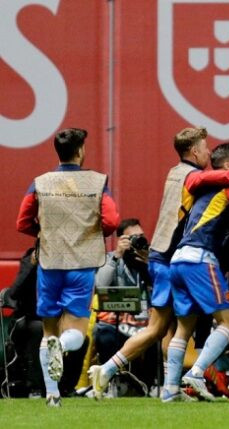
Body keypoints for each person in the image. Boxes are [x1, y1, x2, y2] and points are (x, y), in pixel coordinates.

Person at [89, 127, 229, 399]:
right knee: (158, 329)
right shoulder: (193, 176)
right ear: (194, 151)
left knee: (182, 326)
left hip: (168, 257)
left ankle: (169, 390)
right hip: (171, 258)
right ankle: (107, 370)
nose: (208, 152)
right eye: (205, 148)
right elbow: (222, 176)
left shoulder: (175, 172)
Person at [16, 128, 121, 407]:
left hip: (50, 263)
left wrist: (45, 231)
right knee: (76, 328)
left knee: (48, 329)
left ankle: (52, 395)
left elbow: (23, 222)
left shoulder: (39, 182)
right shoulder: (97, 182)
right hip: (82, 262)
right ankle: (60, 347)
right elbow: (111, 221)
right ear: (80, 151)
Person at [163, 142, 229, 402]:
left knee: (183, 329)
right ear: (228, 166)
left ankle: (170, 390)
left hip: (178, 259)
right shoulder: (227, 188)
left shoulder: (204, 190)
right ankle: (197, 374)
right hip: (200, 258)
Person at [92, 219, 154, 389]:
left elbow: (163, 286)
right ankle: (110, 382)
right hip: (117, 322)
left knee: (156, 334)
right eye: (132, 238)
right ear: (122, 240)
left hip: (147, 323)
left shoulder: (152, 259)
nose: (138, 241)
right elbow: (101, 285)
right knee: (104, 333)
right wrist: (117, 255)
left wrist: (149, 263)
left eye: (141, 236)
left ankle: (150, 384)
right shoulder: (111, 259)